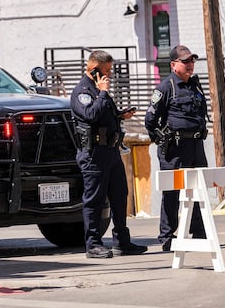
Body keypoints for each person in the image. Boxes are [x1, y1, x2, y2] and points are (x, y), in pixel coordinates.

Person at [71, 50, 147, 258]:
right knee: (94, 200)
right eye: (106, 71)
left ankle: (122, 241)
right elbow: (90, 115)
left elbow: (104, 115)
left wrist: (121, 115)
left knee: (120, 196)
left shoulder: (97, 90)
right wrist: (103, 92)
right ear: (94, 70)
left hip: (111, 152)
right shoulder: (82, 91)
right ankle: (93, 244)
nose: (109, 76)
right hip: (94, 154)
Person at [144, 45, 208, 252]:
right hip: (175, 149)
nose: (190, 65)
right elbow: (150, 120)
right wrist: (162, 141)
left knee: (198, 189)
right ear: (173, 65)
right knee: (171, 193)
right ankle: (167, 236)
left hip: (196, 147)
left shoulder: (195, 86)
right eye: (185, 61)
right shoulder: (166, 87)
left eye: (192, 61)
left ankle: (198, 232)